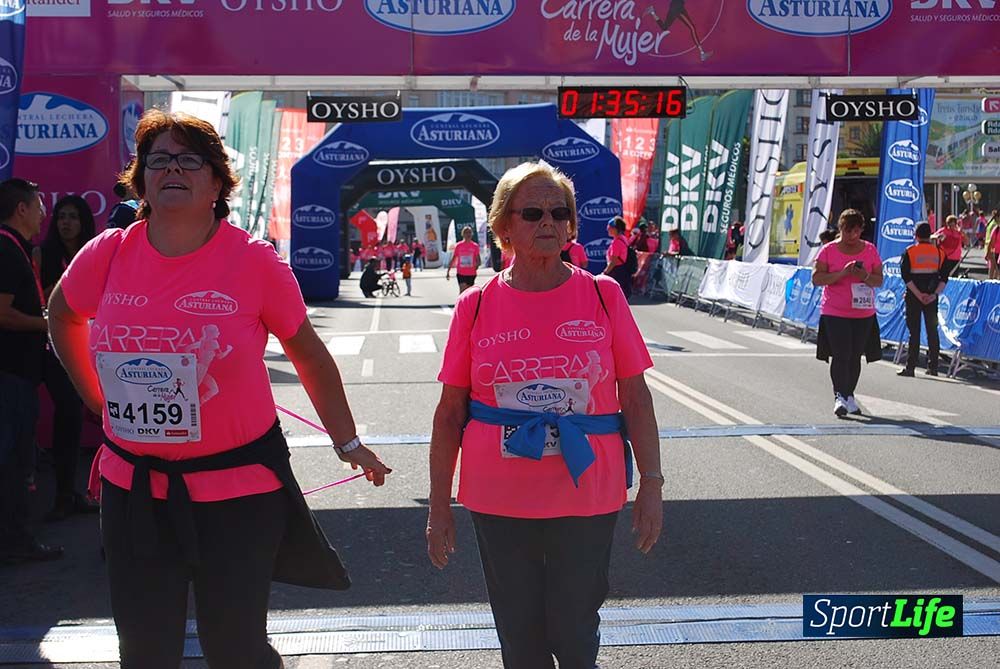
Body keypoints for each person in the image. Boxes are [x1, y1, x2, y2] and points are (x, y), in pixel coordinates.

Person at [47, 110, 391, 669]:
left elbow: (308, 353)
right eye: (159, 159)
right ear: (142, 180)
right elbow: (62, 316)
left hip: (238, 491)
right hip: (133, 486)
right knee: (143, 651)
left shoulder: (252, 261)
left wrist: (347, 442)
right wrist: (96, 398)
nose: (173, 168)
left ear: (216, 182)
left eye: (190, 159)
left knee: (235, 649)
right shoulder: (108, 252)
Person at [427, 161, 662, 669]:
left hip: (587, 488)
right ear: (503, 227)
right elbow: (449, 415)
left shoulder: (604, 294)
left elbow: (636, 398)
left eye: (560, 212)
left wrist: (652, 484)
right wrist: (439, 508)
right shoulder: (476, 304)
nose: (548, 222)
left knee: (577, 632)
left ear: (573, 226)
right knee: (521, 636)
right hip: (500, 493)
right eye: (531, 212)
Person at [0, 178, 64, 565]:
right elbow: (2, 313)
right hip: (10, 375)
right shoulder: (6, 250)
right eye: (39, 204)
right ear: (21, 209)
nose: (44, 212)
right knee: (13, 461)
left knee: (18, 459)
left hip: (19, 374)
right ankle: (15, 542)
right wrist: (47, 324)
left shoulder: (17, 249)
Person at [38, 195, 100, 521]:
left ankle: (84, 492)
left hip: (97, 346)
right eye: (61, 216)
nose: (66, 223)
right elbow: (54, 302)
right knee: (69, 415)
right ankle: (65, 493)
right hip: (57, 349)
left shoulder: (95, 252)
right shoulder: (45, 253)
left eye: (73, 217)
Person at [812, 209, 884, 418]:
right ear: (840, 229)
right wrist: (843, 273)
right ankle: (839, 396)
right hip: (835, 311)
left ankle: (849, 395)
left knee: (855, 356)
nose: (851, 236)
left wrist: (864, 275)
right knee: (841, 354)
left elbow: (879, 281)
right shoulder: (828, 250)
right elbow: (817, 278)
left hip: (863, 313)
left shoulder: (869, 250)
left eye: (856, 231)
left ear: (861, 230)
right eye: (847, 231)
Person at [897, 223, 949, 378]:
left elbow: (906, 276)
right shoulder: (940, 253)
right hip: (932, 296)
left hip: (914, 295)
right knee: (932, 330)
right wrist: (933, 295)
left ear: (916, 235)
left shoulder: (910, 251)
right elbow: (944, 277)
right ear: (930, 235)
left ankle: (910, 367)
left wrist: (918, 295)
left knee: (914, 332)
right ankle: (933, 367)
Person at [643, 0, 712, 61]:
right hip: (677, 7)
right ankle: (702, 53)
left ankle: (652, 12)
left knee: (664, 27)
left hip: (676, 6)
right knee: (692, 28)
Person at [603, 216, 632, 299]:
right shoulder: (623, 239)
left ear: (616, 229)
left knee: (614, 297)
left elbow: (614, 261)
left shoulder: (617, 242)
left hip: (617, 272)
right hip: (622, 272)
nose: (607, 229)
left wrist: (605, 272)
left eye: (610, 228)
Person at [446, 225, 481, 294]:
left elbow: (478, 260)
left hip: (471, 273)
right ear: (463, 234)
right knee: (462, 290)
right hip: (461, 272)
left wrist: (477, 265)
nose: (468, 234)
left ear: (472, 234)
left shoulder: (475, 246)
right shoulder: (459, 245)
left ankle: (468, 304)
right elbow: (453, 259)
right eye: (466, 232)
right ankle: (461, 304)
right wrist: (448, 271)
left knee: (469, 293)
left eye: (469, 232)